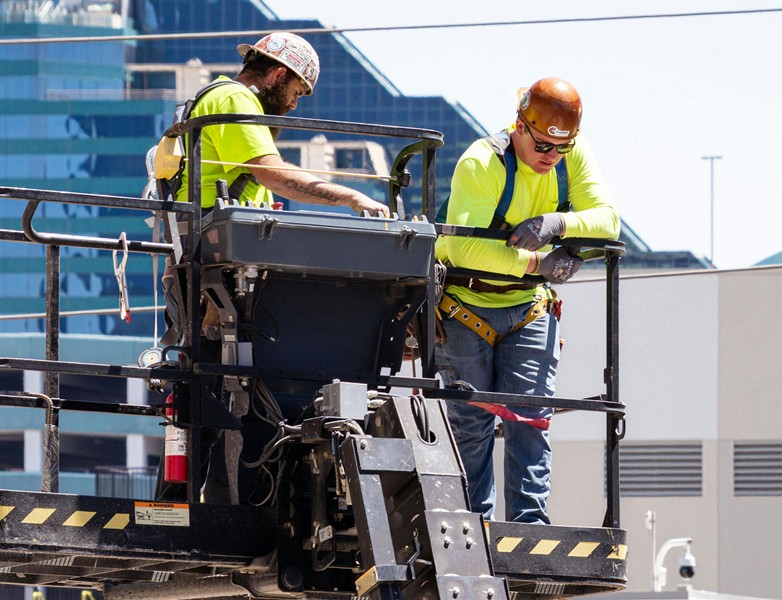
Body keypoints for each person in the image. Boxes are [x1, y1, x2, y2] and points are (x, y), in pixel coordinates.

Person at [434, 77, 620, 524]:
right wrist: (537, 263)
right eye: (541, 146)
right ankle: (469, 528)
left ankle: (528, 531)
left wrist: (557, 222)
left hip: (529, 311)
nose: (550, 157)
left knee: (529, 420)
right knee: (470, 427)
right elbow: (464, 250)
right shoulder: (484, 161)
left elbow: (608, 222)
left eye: (560, 149)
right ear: (519, 125)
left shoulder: (570, 153)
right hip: (466, 305)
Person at [176, 31, 388, 217]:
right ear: (278, 75)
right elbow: (272, 174)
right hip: (212, 230)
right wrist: (352, 198)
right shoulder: (234, 97)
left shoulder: (221, 96)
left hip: (212, 229)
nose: (294, 104)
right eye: (296, 92)